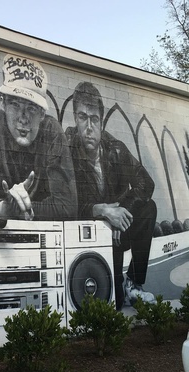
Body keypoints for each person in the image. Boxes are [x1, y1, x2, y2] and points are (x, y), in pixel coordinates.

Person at [66, 81, 157, 310]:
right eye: (82, 117)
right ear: (75, 118)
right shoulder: (66, 149)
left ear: (102, 121)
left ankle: (134, 283)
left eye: (94, 119)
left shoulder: (115, 148)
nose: (89, 127)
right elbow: (65, 203)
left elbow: (146, 183)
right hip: (87, 235)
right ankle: (116, 288)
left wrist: (121, 211)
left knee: (149, 208)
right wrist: (103, 211)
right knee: (112, 306)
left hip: (116, 234)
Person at [0, 54, 77, 226]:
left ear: (42, 113)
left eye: (31, 108)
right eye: (15, 105)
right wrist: (3, 209)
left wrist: (21, 208)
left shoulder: (51, 131)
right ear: (3, 103)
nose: (23, 118)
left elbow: (67, 207)